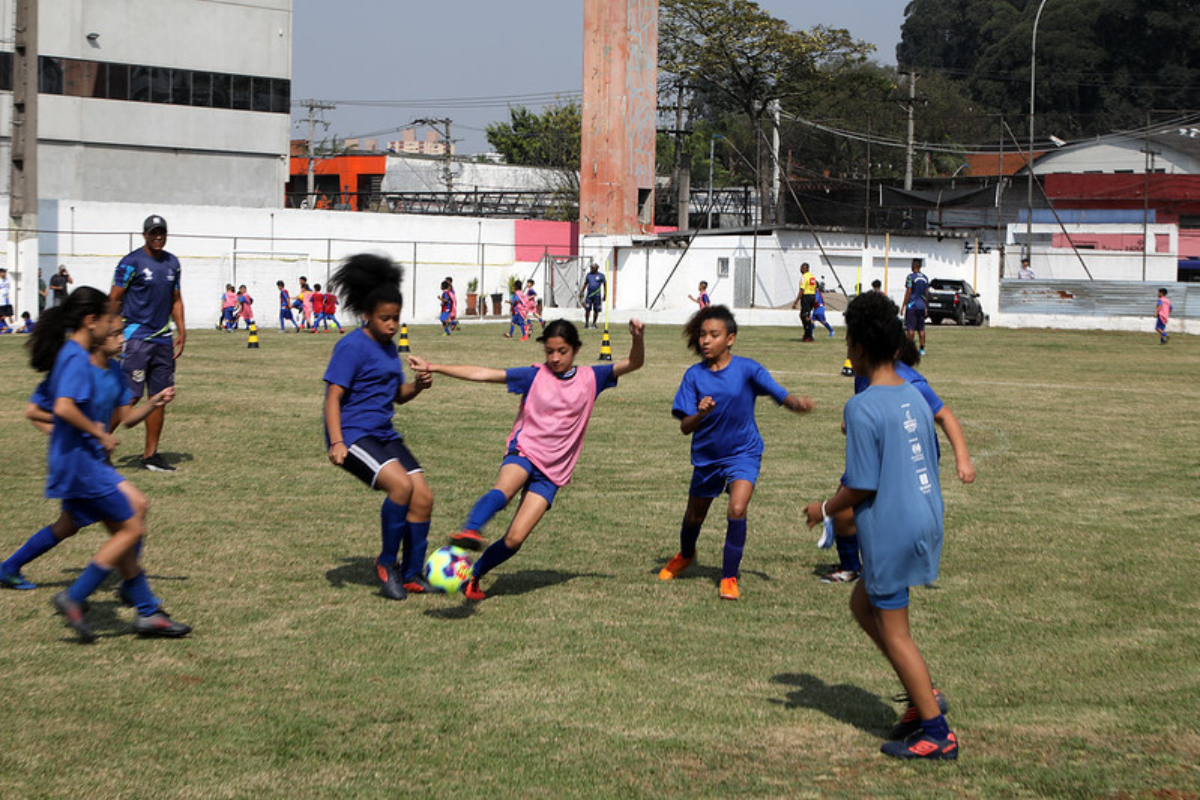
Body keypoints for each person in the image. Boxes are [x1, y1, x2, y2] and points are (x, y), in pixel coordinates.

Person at [802, 291, 956, 761]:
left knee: (896, 632)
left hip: (891, 529)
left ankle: (936, 730)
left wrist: (824, 508)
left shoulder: (863, 406)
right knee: (861, 604)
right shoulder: (912, 393)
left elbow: (861, 487)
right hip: (925, 518)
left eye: (847, 341)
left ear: (859, 348)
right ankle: (921, 698)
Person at [408, 317, 645, 601]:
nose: (555, 358)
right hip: (525, 451)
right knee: (503, 491)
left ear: (576, 350)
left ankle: (474, 575)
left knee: (515, 538)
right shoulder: (534, 375)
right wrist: (432, 367)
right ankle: (471, 529)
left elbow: (634, 362)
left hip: (553, 471)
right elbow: (483, 374)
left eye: (562, 351)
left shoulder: (592, 377)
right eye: (549, 351)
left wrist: (637, 337)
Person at [6, 286, 189, 641]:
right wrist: (97, 433)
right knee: (129, 528)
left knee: (133, 510)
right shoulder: (75, 358)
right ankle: (79, 597)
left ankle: (144, 606)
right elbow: (60, 407)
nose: (118, 332)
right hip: (80, 463)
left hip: (91, 462)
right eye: (113, 324)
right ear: (92, 323)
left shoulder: (105, 366)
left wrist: (156, 401)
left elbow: (126, 416)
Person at [659, 305, 814, 600]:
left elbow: (779, 394)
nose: (705, 341)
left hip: (743, 452)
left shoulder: (747, 369)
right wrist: (701, 413)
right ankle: (686, 554)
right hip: (707, 457)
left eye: (713, 335)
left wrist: (797, 404)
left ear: (730, 339)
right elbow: (685, 428)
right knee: (694, 516)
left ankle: (729, 576)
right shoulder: (694, 376)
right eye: (703, 335)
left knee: (737, 509)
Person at [322, 254, 434, 600]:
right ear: (367, 314)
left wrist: (418, 385)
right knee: (400, 487)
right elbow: (332, 398)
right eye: (385, 318)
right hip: (354, 434)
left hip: (384, 434)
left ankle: (413, 573)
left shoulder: (388, 349)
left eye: (396, 318)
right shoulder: (351, 345)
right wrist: (337, 442)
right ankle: (387, 564)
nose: (391, 325)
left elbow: (396, 396)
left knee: (423, 497)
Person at [820, 336, 975, 584]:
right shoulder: (864, 374)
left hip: (910, 456)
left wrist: (963, 460)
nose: (850, 353)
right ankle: (850, 567)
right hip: (874, 452)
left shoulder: (912, 384)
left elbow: (945, 416)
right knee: (844, 511)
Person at [110, 214, 185, 473]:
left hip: (163, 339)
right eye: (153, 232)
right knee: (128, 396)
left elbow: (176, 299)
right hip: (137, 338)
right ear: (144, 235)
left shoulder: (172, 263)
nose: (158, 237)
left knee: (160, 397)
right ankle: (97, 447)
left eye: (161, 232)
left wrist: (182, 330)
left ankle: (151, 456)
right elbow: (114, 299)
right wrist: (114, 332)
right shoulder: (130, 263)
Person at [901, 258, 930, 355]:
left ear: (914, 265)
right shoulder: (925, 278)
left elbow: (909, 290)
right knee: (921, 329)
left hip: (912, 305)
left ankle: (909, 348)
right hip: (921, 305)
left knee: (911, 328)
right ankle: (922, 349)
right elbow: (926, 293)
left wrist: (904, 305)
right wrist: (926, 306)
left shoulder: (910, 277)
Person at [790, 262, 818, 342]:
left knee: (805, 316)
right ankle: (807, 334)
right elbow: (815, 288)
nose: (800, 269)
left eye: (802, 268)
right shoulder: (812, 277)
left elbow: (802, 290)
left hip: (806, 296)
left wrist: (796, 302)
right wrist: (815, 298)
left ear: (805, 268)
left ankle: (809, 336)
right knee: (804, 315)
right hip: (812, 296)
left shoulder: (804, 277)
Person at [580, 262, 606, 329]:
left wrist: (605, 294)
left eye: (592, 268)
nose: (591, 269)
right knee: (587, 309)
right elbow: (586, 283)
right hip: (589, 295)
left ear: (596, 268)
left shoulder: (601, 276)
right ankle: (587, 323)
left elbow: (605, 285)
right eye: (591, 267)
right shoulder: (588, 275)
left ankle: (594, 324)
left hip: (597, 296)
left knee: (596, 310)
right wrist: (582, 291)